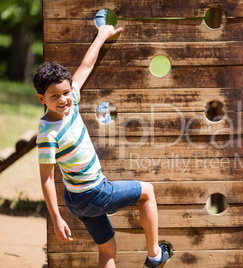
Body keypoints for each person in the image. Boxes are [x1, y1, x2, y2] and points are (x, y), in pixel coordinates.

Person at [33, 25, 172, 268]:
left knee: (108, 250)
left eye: (65, 92)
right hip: (95, 193)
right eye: (54, 96)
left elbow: (86, 66)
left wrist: (102, 35)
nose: (63, 99)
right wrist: (56, 218)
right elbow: (45, 178)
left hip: (76, 200)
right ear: (41, 99)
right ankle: (155, 255)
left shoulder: (71, 102)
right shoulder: (47, 134)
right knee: (147, 191)